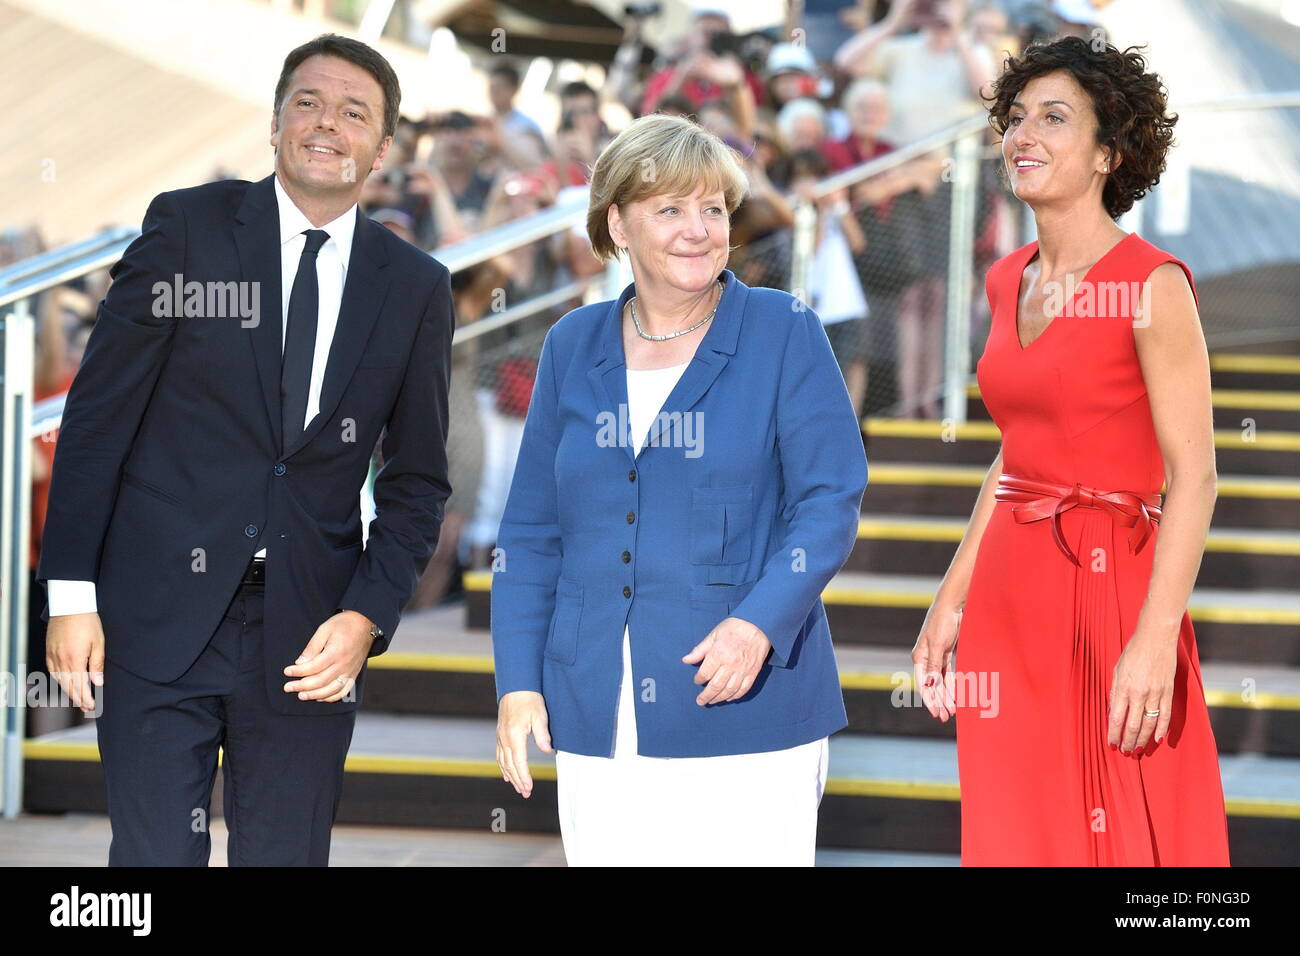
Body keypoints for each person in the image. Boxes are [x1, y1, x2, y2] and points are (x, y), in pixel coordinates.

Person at [36, 33, 454, 866]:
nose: (326, 124)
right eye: (307, 102)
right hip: (155, 615)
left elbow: (416, 483)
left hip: (308, 635)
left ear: (382, 147)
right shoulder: (187, 227)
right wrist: (70, 591)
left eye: (353, 112)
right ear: (274, 124)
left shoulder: (414, 287)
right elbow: (97, 418)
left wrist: (366, 615)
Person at [491, 113, 867, 866]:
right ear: (617, 226)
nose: (698, 229)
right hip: (592, 703)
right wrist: (517, 681)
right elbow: (532, 533)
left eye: (713, 209)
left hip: (744, 698)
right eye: (670, 209)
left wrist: (758, 623)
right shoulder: (572, 342)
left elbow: (829, 500)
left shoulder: (783, 327)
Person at [912, 35, 1230, 865]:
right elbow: (1015, 455)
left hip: (1114, 590)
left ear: (1106, 154)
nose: (1025, 135)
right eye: (1017, 118)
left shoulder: (1154, 285)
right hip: (1012, 599)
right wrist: (952, 598)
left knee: (1122, 824)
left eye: (1055, 118)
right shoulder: (1004, 276)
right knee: (1018, 823)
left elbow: (1195, 477)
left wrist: (1157, 636)